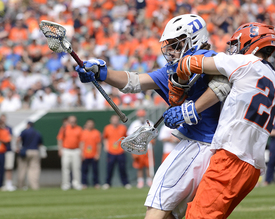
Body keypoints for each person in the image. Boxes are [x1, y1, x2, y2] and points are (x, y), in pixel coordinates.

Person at [76, 14, 230, 219]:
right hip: (218, 150)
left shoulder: (209, 59)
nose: (171, 50)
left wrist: (192, 109)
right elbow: (135, 81)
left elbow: (223, 82)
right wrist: (102, 73)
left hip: (200, 145)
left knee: (156, 208)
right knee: (172, 213)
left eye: (177, 44)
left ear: (193, 39)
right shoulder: (176, 67)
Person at [165, 22, 275, 218]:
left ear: (250, 42)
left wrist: (178, 87)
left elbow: (189, 63)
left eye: (236, 43)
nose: (233, 49)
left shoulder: (244, 63)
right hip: (252, 167)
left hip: (231, 157)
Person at [127, 109, 154, 189]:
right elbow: (129, 136)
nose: (141, 117)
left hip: (148, 148)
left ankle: (149, 180)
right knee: (139, 166)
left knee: (148, 165)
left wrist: (153, 141)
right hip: (138, 148)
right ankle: (140, 181)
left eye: (143, 116)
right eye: (140, 116)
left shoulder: (150, 123)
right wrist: (133, 149)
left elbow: (154, 134)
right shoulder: (134, 124)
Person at [102, 114, 131, 190]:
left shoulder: (123, 128)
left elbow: (126, 138)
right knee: (109, 168)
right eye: (113, 119)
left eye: (116, 119)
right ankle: (107, 183)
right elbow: (105, 138)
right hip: (111, 151)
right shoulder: (107, 128)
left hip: (120, 151)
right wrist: (106, 146)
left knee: (122, 168)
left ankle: (125, 183)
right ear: (111, 120)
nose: (115, 120)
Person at [57, 115, 83, 190]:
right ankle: (66, 184)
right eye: (71, 121)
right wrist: (60, 149)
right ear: (68, 121)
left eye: (74, 121)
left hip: (76, 150)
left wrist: (81, 151)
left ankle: (77, 184)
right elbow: (60, 139)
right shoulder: (64, 129)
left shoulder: (79, 129)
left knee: (76, 168)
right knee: (65, 168)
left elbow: (81, 141)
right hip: (66, 150)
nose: (72, 123)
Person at [16, 122, 43, 190]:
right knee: (34, 170)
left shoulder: (24, 131)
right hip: (35, 151)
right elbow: (40, 144)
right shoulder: (37, 132)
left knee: (22, 169)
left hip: (25, 152)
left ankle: (21, 186)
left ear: (27, 125)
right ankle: (35, 186)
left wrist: (17, 148)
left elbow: (18, 139)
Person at [80, 118, 102, 189]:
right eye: (88, 124)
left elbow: (98, 144)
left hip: (93, 154)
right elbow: (81, 143)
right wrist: (82, 153)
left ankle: (96, 183)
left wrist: (98, 154)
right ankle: (84, 183)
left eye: (91, 124)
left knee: (95, 171)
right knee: (84, 171)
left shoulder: (96, 133)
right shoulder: (83, 132)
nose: (90, 125)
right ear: (86, 125)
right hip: (85, 154)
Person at [0, 114, 16, 191]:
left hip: (8, 150)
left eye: (4, 119)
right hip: (1, 151)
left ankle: (8, 184)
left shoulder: (8, 128)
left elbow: (9, 139)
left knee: (8, 167)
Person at [0, 117, 11, 190]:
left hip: (1, 152)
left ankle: (0, 185)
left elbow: (7, 141)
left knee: (1, 169)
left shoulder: (5, 131)